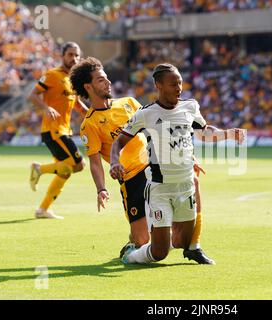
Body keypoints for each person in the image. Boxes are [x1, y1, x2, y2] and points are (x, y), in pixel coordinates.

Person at [70, 58, 215, 264]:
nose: (108, 82)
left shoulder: (128, 103)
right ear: (88, 86)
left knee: (193, 182)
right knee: (142, 240)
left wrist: (188, 157)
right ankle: (135, 243)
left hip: (154, 167)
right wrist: (101, 188)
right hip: (131, 179)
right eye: (101, 80)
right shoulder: (90, 124)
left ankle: (194, 246)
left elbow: (160, 127)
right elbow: (94, 161)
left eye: (107, 78)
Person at [110, 63, 244, 264]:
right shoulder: (146, 114)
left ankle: (188, 248)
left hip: (186, 186)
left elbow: (204, 131)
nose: (179, 88)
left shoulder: (190, 106)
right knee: (159, 253)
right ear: (159, 85)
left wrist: (227, 134)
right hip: (160, 189)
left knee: (182, 241)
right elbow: (119, 142)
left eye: (180, 83)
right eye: (173, 84)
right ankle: (132, 256)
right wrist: (114, 162)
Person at [28, 42, 88, 219]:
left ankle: (43, 210)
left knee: (65, 171)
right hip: (53, 130)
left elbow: (76, 104)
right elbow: (32, 95)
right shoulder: (52, 75)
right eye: (70, 55)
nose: (74, 59)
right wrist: (45, 108)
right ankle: (39, 169)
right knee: (79, 165)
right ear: (62, 56)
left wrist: (90, 114)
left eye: (77, 55)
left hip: (64, 130)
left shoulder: (74, 80)